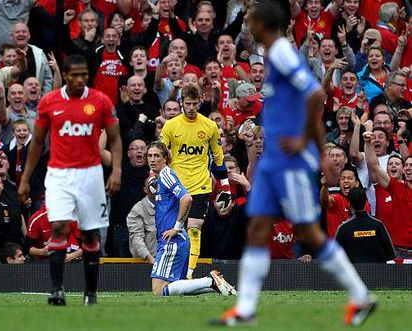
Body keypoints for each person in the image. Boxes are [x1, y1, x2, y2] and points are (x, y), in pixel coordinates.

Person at [213, 2, 376, 327]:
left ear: (262, 23)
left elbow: (315, 95)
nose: (247, 25)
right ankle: (245, 310)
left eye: (249, 20)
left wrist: (306, 143)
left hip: (289, 162)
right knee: (258, 228)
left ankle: (361, 296)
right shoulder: (273, 55)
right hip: (273, 160)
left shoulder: (284, 54)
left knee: (310, 234)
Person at [18, 54, 122, 306]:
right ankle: (57, 291)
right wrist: (25, 178)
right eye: (74, 75)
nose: (79, 79)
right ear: (65, 75)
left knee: (89, 234)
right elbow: (38, 142)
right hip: (59, 174)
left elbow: (115, 138)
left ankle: (91, 293)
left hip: (91, 175)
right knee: (58, 228)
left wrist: (117, 170)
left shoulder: (100, 101)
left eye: (84, 74)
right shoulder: (49, 102)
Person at [146, 141, 235, 297]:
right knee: (175, 288)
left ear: (165, 158)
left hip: (172, 239)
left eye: (157, 156)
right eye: (150, 156)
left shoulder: (166, 174)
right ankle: (214, 283)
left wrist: (177, 227)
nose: (152, 159)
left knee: (159, 290)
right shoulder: (163, 176)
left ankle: (209, 281)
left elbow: (186, 198)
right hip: (176, 240)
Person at [160, 84, 231, 279]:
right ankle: (172, 272)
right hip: (176, 187)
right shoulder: (171, 126)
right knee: (174, 231)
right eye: (187, 104)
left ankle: (189, 275)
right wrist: (154, 177)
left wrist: (225, 187)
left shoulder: (209, 126)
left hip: (200, 185)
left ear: (200, 102)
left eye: (194, 104)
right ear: (182, 102)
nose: (191, 108)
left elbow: (218, 158)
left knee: (193, 229)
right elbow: (159, 153)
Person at [335, 187, 395, 263]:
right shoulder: (378, 225)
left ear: (348, 204)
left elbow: (335, 256)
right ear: (365, 202)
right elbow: (391, 254)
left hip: (354, 273)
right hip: (377, 273)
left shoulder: (343, 228)